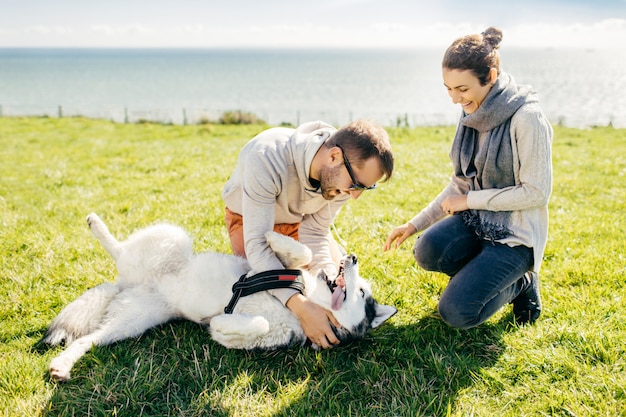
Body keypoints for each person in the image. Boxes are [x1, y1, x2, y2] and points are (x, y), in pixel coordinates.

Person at [384, 27, 552, 329]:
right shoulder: (472, 111)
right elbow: (461, 182)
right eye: (448, 89)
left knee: (458, 313)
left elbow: (536, 192)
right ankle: (483, 276)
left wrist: (470, 200)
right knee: (427, 249)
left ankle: (522, 282)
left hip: (514, 236)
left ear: (489, 76)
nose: (454, 99)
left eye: (461, 89)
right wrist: (413, 224)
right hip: (477, 222)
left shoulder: (527, 118)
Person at [223, 119, 394, 348]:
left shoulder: (341, 177)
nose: (354, 196)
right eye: (357, 185)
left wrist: (332, 281)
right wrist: (302, 307)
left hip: (299, 223)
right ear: (333, 156)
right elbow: (258, 246)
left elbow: (315, 232)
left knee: (326, 281)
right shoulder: (266, 156)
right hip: (250, 221)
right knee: (262, 289)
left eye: (366, 188)